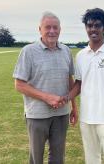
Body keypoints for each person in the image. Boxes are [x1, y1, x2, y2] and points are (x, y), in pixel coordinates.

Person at [13, 11, 77, 164]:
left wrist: (74, 107)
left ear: (60, 30)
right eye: (47, 27)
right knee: (36, 159)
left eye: (55, 27)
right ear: (39, 29)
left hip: (61, 114)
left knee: (58, 158)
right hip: (37, 115)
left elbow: (69, 80)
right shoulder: (28, 51)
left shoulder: (66, 51)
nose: (52, 31)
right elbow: (19, 84)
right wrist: (47, 97)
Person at [68, 8, 104, 164]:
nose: (93, 29)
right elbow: (79, 84)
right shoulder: (81, 56)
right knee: (91, 159)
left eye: (97, 25)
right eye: (89, 26)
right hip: (87, 119)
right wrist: (65, 98)